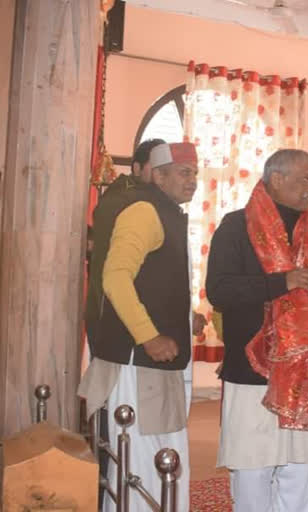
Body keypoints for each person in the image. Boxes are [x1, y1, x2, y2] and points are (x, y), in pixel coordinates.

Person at [207, 149, 308, 512]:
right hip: (254, 370)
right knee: (254, 464)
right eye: (305, 178)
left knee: (302, 467)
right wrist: (281, 281)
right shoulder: (236, 226)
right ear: (278, 179)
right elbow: (219, 289)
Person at [79, 142, 200, 512]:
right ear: (158, 175)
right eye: (184, 172)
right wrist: (148, 335)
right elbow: (115, 277)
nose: (193, 180)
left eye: (195, 173)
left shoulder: (166, 212)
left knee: (159, 458)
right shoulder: (145, 211)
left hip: (151, 365)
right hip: (138, 366)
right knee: (148, 463)